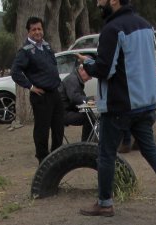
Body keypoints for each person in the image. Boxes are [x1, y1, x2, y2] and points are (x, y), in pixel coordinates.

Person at [78, 0, 156, 220]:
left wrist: (88, 64)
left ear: (114, 1)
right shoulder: (145, 25)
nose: (98, 3)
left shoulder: (112, 29)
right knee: (150, 150)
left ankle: (105, 203)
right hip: (146, 102)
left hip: (120, 104)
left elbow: (105, 69)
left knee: (106, 154)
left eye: (101, 0)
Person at [10, 17, 64, 163]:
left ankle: (57, 157)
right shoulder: (25, 51)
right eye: (34, 29)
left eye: (39, 29)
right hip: (41, 96)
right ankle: (43, 160)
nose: (37, 32)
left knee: (59, 128)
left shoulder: (46, 47)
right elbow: (15, 72)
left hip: (55, 94)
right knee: (42, 131)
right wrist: (31, 87)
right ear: (28, 32)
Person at [59, 65, 94, 142]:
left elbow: (79, 98)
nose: (90, 78)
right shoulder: (72, 79)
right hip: (63, 113)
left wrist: (90, 99)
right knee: (89, 118)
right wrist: (90, 100)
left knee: (90, 115)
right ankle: (86, 144)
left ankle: (88, 142)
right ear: (81, 70)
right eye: (90, 74)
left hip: (67, 110)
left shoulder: (75, 78)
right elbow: (75, 98)